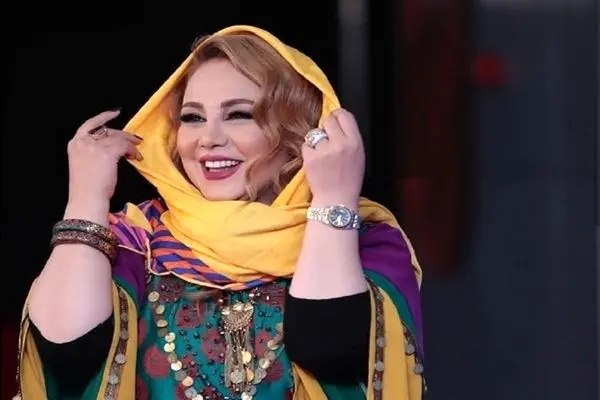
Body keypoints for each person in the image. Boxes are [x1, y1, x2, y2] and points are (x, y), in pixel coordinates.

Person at [15, 25, 425, 400]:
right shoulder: (139, 241)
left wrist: (334, 199)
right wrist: (86, 198)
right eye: (192, 118)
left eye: (239, 115)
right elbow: (64, 348)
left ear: (297, 128)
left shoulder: (364, 239)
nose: (208, 139)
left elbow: (330, 351)